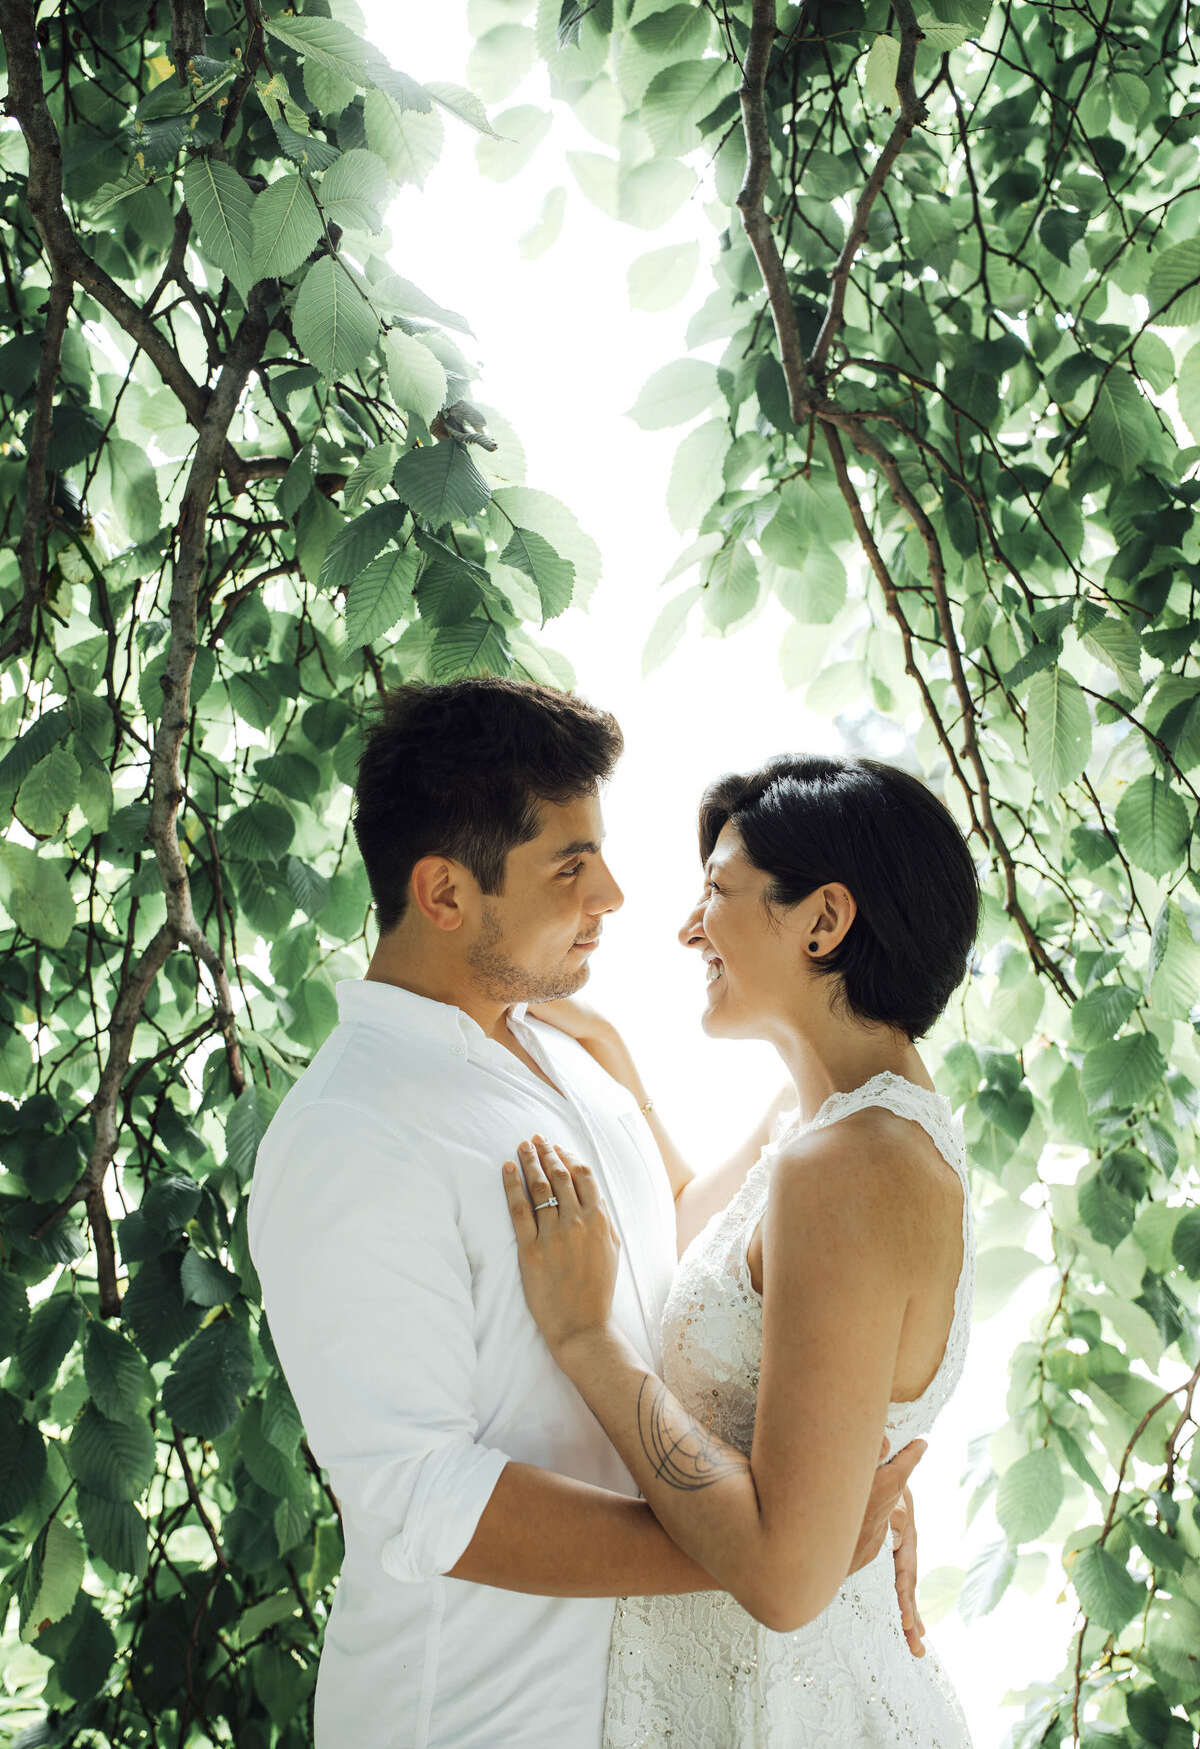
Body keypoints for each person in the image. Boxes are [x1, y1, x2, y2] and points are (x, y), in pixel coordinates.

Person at [247, 682, 926, 1749]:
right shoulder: (352, 1132)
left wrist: (820, 1464)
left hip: (650, 1705)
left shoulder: (561, 1050)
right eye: (570, 866)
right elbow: (425, 1495)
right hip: (482, 1716)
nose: (613, 893)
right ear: (442, 894)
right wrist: (772, 1551)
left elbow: (672, 1273)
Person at [502, 752, 979, 1747]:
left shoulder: (850, 1164)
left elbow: (782, 1579)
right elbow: (694, 1244)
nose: (686, 928)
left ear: (824, 920)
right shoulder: (817, 1127)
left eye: (716, 893)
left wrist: (589, 1340)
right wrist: (615, 1068)